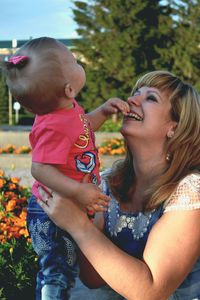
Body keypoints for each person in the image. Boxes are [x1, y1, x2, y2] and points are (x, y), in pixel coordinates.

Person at [38, 70, 200, 300]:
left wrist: (77, 225)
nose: (132, 100)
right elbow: (93, 279)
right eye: (136, 93)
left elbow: (151, 292)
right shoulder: (106, 182)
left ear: (174, 127)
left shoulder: (190, 191)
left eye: (150, 98)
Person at [1, 37, 130, 300]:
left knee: (67, 266)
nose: (77, 60)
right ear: (70, 89)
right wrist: (77, 191)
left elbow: (82, 131)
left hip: (66, 206)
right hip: (50, 213)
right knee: (56, 270)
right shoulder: (53, 125)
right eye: (72, 60)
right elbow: (40, 168)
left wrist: (102, 113)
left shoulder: (68, 111)